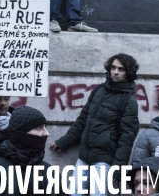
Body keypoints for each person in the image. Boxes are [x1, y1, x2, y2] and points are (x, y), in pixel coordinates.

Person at [50, 53, 139, 194]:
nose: (116, 72)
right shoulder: (99, 91)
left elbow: (126, 140)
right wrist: (65, 141)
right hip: (85, 155)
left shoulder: (129, 101)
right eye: (113, 68)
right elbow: (83, 120)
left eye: (121, 69)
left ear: (128, 73)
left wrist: (117, 171)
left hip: (104, 160)